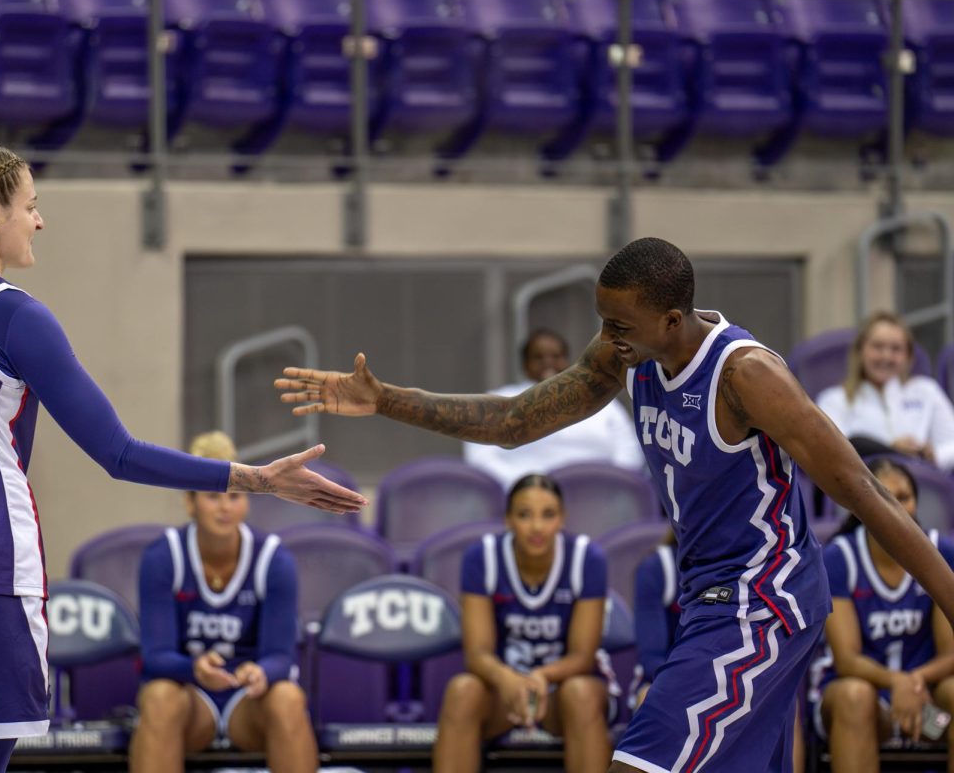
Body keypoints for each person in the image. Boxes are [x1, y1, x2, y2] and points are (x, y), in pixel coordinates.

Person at [275, 236, 954, 773]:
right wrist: (384, 399)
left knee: (638, 763)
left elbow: (860, 490)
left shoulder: (746, 375)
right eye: (603, 320)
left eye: (618, 323)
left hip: (762, 600)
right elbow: (513, 423)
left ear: (669, 318)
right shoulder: (627, 353)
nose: (606, 336)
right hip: (709, 597)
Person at [0, 143, 363, 773]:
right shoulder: (12, 316)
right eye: (30, 207)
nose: (39, 221)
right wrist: (255, 478)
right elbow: (118, 453)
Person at [131, 431, 315, 773]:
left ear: (247, 502)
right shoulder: (163, 557)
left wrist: (262, 672)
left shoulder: (272, 559)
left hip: (248, 700)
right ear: (190, 502)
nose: (225, 506)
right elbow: (155, 658)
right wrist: (194, 668)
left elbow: (281, 655)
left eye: (235, 496)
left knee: (288, 698)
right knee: (158, 697)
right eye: (212, 496)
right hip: (191, 698)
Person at [434, 473, 615, 773]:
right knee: (462, 689)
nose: (536, 527)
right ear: (507, 519)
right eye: (524, 515)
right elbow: (477, 654)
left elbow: (582, 658)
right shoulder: (483, 556)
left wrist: (540, 677)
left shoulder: (587, 558)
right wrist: (509, 680)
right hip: (503, 692)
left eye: (548, 515)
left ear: (562, 519)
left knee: (580, 693)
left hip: (562, 694)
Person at [810, 457, 954, 773]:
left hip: (925, 713)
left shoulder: (942, 553)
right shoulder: (840, 558)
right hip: (873, 713)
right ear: (862, 506)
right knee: (854, 697)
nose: (897, 508)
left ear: (917, 502)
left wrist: (913, 683)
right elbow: (847, 660)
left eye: (904, 497)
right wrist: (895, 683)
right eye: (884, 498)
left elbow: (951, 654)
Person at [631, 532, 808, 773]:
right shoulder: (657, 568)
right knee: (648, 697)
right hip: (683, 680)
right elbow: (651, 658)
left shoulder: (764, 570)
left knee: (785, 701)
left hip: (741, 676)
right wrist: (713, 682)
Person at [463, 329, 644, 488]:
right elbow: (480, 454)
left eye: (556, 356)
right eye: (538, 357)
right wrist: (523, 485)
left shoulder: (603, 401)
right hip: (521, 497)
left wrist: (608, 484)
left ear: (570, 361)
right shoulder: (501, 399)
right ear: (525, 364)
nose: (548, 363)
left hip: (595, 497)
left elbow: (629, 451)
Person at [816, 312, 954, 471]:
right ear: (861, 351)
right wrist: (892, 451)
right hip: (864, 488)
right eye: (877, 346)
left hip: (924, 485)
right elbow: (833, 452)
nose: (886, 356)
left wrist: (934, 455)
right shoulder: (834, 400)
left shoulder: (926, 391)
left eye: (896, 349)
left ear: (908, 356)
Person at [631, 528, 679, 710]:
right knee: (652, 697)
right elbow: (651, 659)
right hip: (672, 679)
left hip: (732, 677)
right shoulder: (657, 568)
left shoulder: (751, 566)